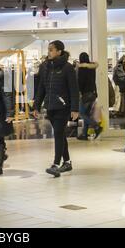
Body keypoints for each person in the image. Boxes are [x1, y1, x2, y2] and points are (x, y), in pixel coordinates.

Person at [34, 40, 79, 178]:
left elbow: (74, 89)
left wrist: (75, 108)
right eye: (48, 49)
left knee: (58, 133)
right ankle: (67, 162)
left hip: (63, 107)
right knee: (60, 134)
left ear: (59, 51)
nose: (49, 52)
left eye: (51, 49)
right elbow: (42, 88)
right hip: (50, 106)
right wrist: (36, 106)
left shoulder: (67, 67)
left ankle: (55, 164)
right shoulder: (45, 67)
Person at [76, 52, 102, 140]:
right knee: (86, 114)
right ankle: (84, 134)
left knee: (82, 113)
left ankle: (96, 126)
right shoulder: (92, 68)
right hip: (93, 93)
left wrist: (79, 92)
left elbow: (80, 82)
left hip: (85, 94)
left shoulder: (82, 69)